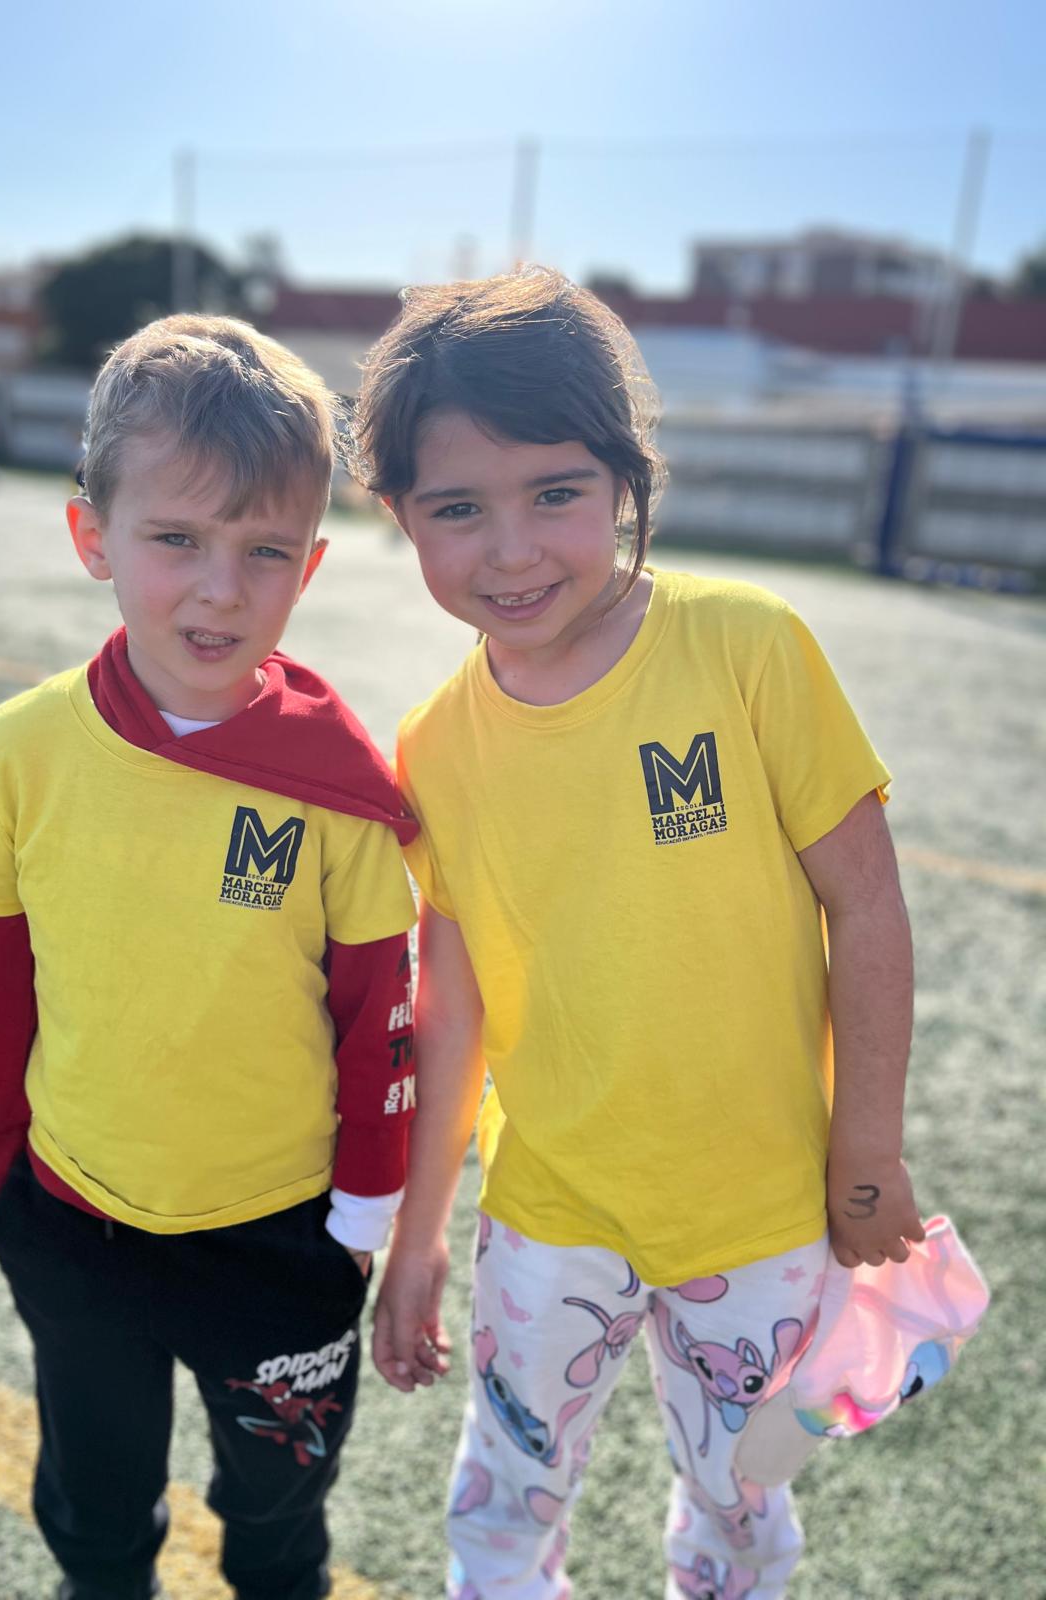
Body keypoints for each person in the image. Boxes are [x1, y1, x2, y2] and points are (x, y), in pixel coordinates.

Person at [352, 269, 932, 1600]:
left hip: (760, 1212)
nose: (511, 551)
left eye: (554, 492)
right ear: (398, 515)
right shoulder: (434, 745)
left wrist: (866, 1149)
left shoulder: (745, 647)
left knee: (743, 1504)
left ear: (624, 477)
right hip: (545, 1215)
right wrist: (423, 1232)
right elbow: (452, 1008)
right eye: (457, 508)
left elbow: (868, 903)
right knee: (504, 1499)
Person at [0, 314, 418, 1600]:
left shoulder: (340, 786)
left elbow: (383, 1017)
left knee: (278, 1519)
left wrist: (362, 1216)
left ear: (310, 566)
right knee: (95, 1506)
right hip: (74, 1215)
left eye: (264, 551)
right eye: (176, 539)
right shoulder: (16, 756)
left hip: (281, 1239)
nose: (220, 588)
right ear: (92, 535)